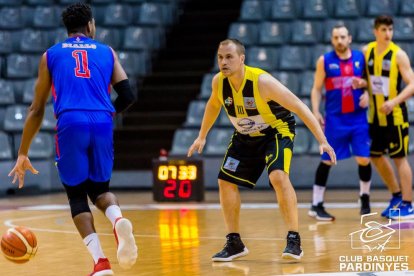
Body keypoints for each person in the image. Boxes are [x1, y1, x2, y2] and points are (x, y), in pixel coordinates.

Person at [8, 3, 138, 275]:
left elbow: (36, 109)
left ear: (68, 28)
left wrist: (22, 152)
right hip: (102, 120)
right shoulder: (107, 52)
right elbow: (127, 95)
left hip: (70, 121)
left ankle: (100, 264)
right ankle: (118, 221)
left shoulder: (51, 55)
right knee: (101, 190)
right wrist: (106, 114)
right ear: (90, 25)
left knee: (77, 196)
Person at [187, 38, 336, 262]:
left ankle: (294, 239)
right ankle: (234, 242)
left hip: (276, 131)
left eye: (229, 57)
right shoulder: (219, 82)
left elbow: (299, 106)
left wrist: (322, 140)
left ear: (241, 59)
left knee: (277, 176)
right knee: (225, 181)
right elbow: (213, 105)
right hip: (244, 136)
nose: (223, 62)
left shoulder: (262, 82)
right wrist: (202, 136)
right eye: (220, 57)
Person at [309, 24, 372, 221]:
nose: (339, 41)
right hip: (335, 119)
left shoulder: (361, 58)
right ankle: (316, 204)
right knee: (327, 159)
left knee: (363, 158)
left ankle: (364, 198)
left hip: (358, 118)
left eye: (343, 37)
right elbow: (316, 88)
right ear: (332, 39)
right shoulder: (325, 61)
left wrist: (368, 94)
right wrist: (315, 111)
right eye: (336, 37)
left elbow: (371, 83)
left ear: (349, 38)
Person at [363, 15, 414, 220]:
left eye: (390, 30)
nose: (387, 34)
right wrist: (362, 87)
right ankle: (396, 195)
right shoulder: (368, 51)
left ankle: (409, 204)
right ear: (376, 31)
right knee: (375, 155)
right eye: (384, 30)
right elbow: (368, 80)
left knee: (399, 158)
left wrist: (393, 102)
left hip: (395, 116)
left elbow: (412, 85)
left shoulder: (398, 55)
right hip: (375, 116)